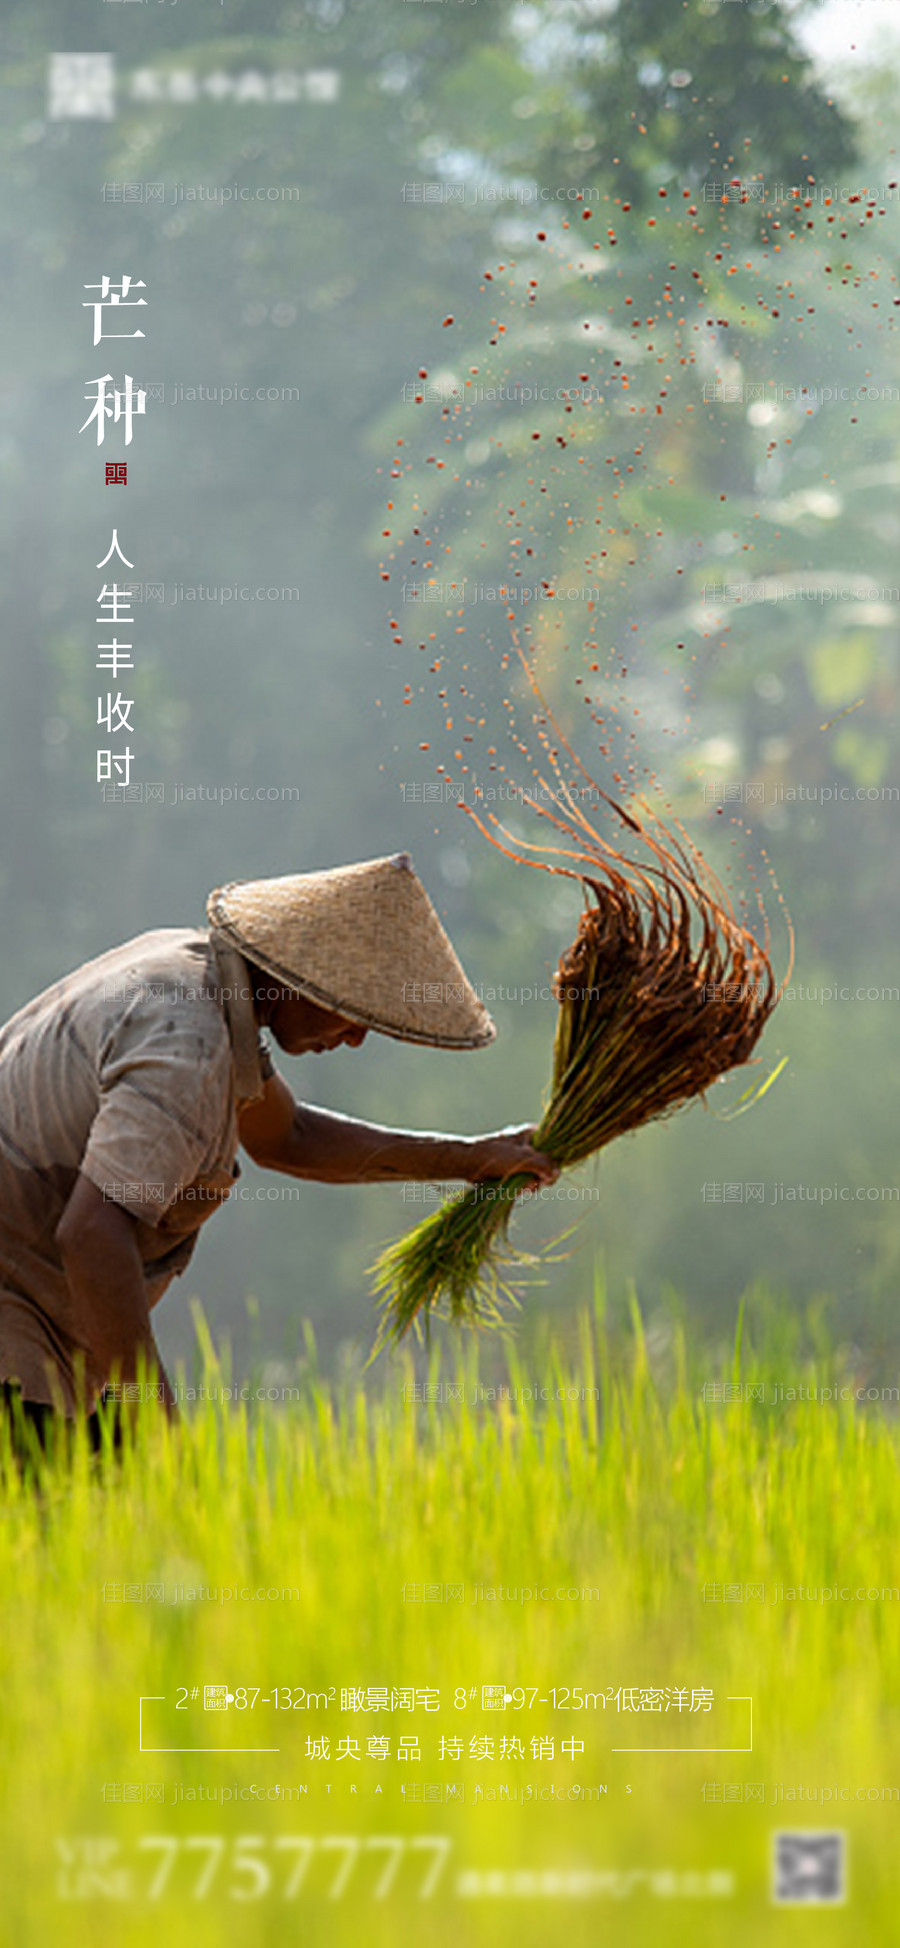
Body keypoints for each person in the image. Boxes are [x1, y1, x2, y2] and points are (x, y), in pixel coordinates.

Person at [0, 852, 558, 1438]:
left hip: (40, 1328)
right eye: (351, 1007)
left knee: (112, 1504)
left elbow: (289, 1135)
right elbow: (92, 1234)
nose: (356, 1035)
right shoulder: (188, 1042)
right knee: (112, 1490)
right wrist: (153, 1425)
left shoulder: (194, 979)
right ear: (300, 971)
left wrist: (471, 1160)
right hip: (14, 1329)